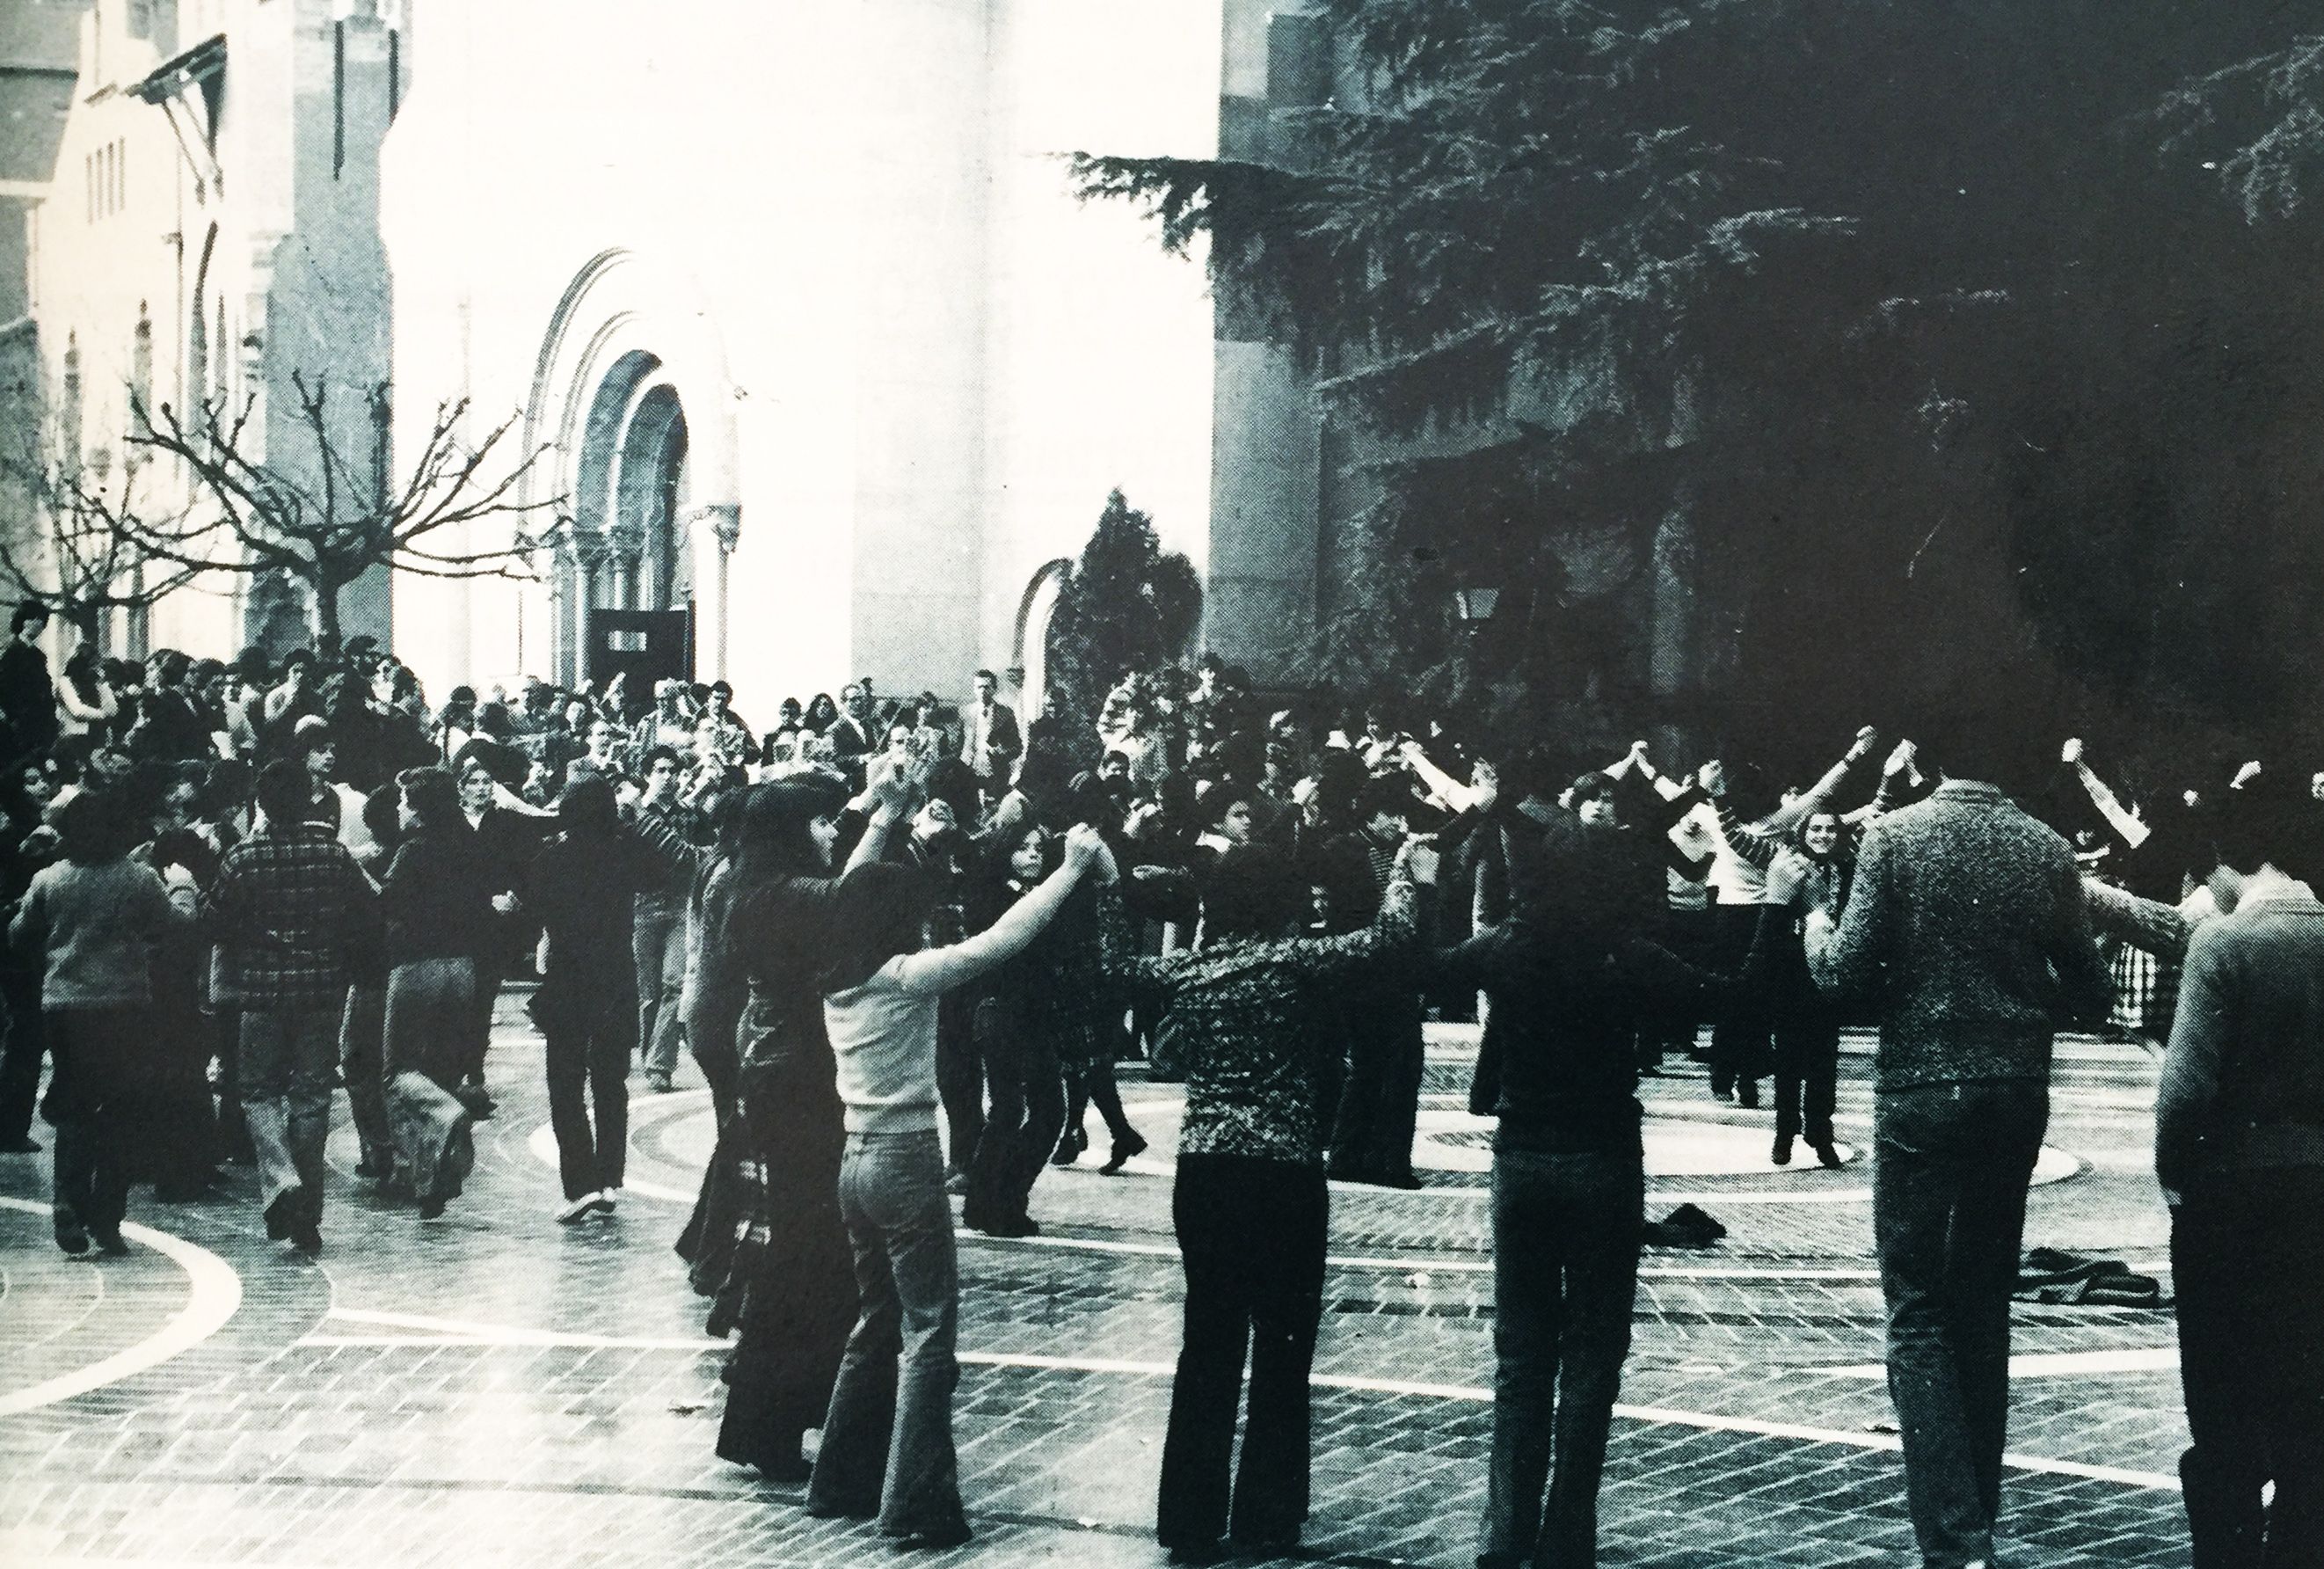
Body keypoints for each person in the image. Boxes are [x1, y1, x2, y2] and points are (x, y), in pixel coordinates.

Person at [1805, 717, 2109, 1569]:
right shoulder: (2046, 847)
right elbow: (2088, 991)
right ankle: (1977, 1515)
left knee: (1918, 1308)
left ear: (1933, 759)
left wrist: (1814, 927)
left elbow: (1843, 974)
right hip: (2014, 1087)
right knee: (1983, 1302)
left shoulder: (1895, 838)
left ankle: (1955, 1539)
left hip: (1920, 1085)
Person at [1094, 836, 1433, 1563]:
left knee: (1207, 1341)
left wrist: (1102, 886)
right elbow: (1391, 935)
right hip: (1282, 1170)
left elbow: (1113, 965)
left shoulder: (1190, 969)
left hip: (1205, 1168)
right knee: (1283, 1348)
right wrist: (1401, 867)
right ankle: (1267, 1516)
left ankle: (1187, 1519)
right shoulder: (1293, 962)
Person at [805, 821, 1111, 1548]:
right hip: (905, 1157)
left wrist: (881, 820)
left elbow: (853, 889)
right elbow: (1003, 939)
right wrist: (1067, 872)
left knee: (875, 1321)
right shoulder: (906, 976)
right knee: (929, 1329)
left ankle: (839, 1480)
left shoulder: (835, 973)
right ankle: (913, 1505)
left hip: (853, 1157)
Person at [689, 772, 905, 1485]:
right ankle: (770, 1424)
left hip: (792, 1081)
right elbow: (853, 900)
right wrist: (886, 817)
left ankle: (775, 1421)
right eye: (819, 823)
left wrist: (875, 809)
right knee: (805, 1259)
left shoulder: (758, 887)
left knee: (809, 1260)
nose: (830, 832)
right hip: (797, 1088)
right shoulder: (771, 896)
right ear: (789, 832)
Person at [2153, 770, 2324, 1567]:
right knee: (2305, 1392)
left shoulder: (2224, 942)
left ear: (2226, 863)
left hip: (2230, 1192)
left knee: (2219, 1393)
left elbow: (2184, 1089)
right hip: (2315, 1186)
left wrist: (2173, 1175)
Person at [9, 788, 198, 1255]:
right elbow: (174, 926)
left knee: (73, 1108)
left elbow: (19, 934)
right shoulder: (138, 879)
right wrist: (184, 888)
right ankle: (108, 1217)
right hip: (125, 1005)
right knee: (120, 1112)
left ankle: (66, 1203)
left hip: (66, 1007)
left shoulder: (50, 879)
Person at [200, 760, 378, 1254]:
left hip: (260, 991)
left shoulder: (242, 858)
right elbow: (367, 913)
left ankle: (281, 1179)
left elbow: (211, 922)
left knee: (257, 1091)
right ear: (307, 802)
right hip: (322, 990)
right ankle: (309, 1213)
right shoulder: (333, 854)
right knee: (312, 1096)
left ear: (261, 803)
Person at [527, 775, 685, 1222]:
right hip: (615, 975)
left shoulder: (551, 859)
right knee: (611, 1083)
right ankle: (610, 1179)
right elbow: (661, 870)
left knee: (566, 1083)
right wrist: (629, 823)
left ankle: (580, 1185)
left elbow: (531, 906)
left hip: (567, 978)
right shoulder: (624, 850)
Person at [378, 767, 495, 1218]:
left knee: (399, 1072)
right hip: (462, 968)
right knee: (441, 1071)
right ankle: (431, 1183)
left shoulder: (413, 851)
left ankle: (449, 1113)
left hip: (416, 966)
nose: (402, 808)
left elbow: (388, 901)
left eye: (407, 801)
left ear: (421, 808)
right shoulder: (470, 844)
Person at [0, 602, 57, 762]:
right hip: (17, 724)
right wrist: (12, 719)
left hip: (39, 722)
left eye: (41, 619)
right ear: (21, 621)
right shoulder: (10, 651)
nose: (37, 623)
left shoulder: (39, 655)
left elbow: (45, 690)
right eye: (31, 618)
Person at [958, 668, 1021, 797]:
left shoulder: (1005, 713)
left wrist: (1002, 752)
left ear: (994, 689)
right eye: (979, 687)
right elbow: (959, 743)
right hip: (968, 770)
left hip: (995, 772)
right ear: (974, 689)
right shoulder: (966, 712)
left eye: (987, 687)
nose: (982, 691)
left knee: (993, 809)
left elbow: (1017, 747)